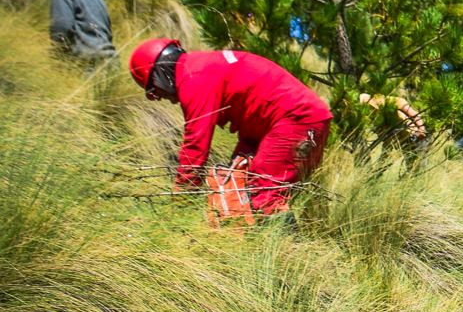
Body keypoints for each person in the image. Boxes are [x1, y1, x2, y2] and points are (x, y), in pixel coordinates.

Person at [128, 38, 333, 214]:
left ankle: (287, 254)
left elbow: (195, 150)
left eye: (156, 91)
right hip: (289, 121)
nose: (162, 98)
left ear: (160, 73)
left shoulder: (193, 78)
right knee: (238, 182)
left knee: (265, 194)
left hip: (297, 119)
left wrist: (179, 204)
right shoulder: (199, 66)